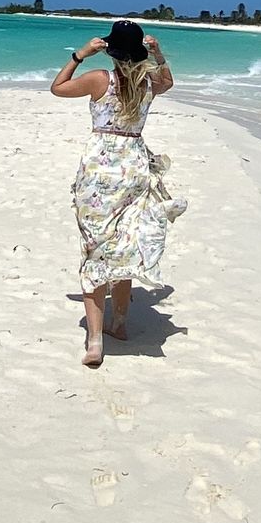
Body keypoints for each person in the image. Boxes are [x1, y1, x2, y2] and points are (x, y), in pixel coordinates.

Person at [50, 19, 187, 367]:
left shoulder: (100, 79)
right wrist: (158, 54)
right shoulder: (147, 82)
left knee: (95, 250)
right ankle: (120, 325)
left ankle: (95, 342)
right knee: (125, 244)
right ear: (140, 51)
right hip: (134, 167)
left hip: (99, 172)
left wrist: (79, 54)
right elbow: (168, 81)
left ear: (110, 50)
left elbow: (58, 87)